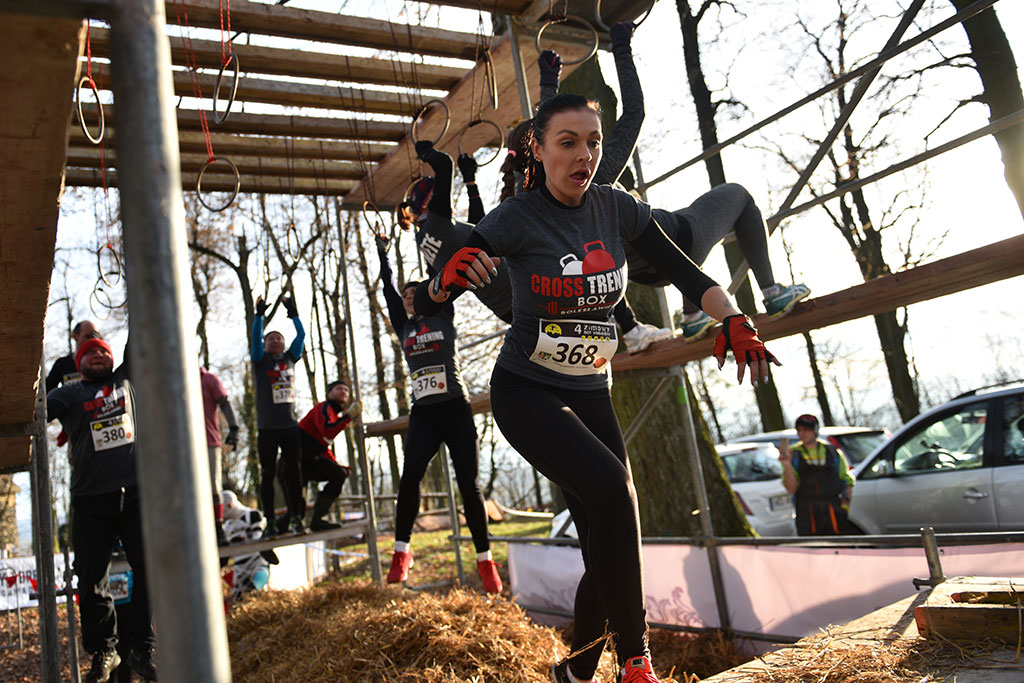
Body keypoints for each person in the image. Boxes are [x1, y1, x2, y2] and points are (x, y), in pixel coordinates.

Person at [416, 93, 779, 683]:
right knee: (615, 490)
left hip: (590, 389)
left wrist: (734, 317)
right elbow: (456, 275)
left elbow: (688, 272)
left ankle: (576, 674)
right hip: (527, 392)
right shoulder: (516, 218)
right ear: (537, 148)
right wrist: (441, 284)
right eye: (568, 143)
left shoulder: (616, 209)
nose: (584, 155)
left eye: (593, 142)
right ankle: (637, 663)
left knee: (609, 543)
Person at [522, 28, 810, 347]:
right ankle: (772, 292)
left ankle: (692, 314)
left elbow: (550, 134)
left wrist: (549, 81)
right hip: (677, 243)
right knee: (738, 196)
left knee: (678, 235)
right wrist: (621, 47)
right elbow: (634, 112)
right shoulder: (596, 172)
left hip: (643, 274)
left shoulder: (540, 207)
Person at [376, 232, 502, 594]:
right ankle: (401, 552)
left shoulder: (440, 311)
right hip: (424, 414)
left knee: (469, 486)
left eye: (413, 294)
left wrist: (425, 230)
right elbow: (387, 288)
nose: (409, 300)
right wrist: (384, 253)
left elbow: (442, 272)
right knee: (410, 474)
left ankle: (485, 560)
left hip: (454, 408)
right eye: (405, 297)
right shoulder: (404, 325)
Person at [46, 335, 157, 682]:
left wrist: (131, 279)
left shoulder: (125, 380)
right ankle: (104, 651)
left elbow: (140, 328)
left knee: (150, 568)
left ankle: (142, 646)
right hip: (92, 499)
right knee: (92, 578)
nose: (97, 355)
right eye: (89, 352)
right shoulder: (69, 393)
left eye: (102, 352)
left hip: (136, 495)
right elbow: (38, 410)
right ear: (78, 363)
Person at [396, 141, 514, 324]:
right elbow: (444, 163)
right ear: (428, 200)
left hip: (506, 306)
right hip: (520, 290)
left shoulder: (426, 239)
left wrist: (470, 183)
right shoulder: (437, 223)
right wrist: (425, 151)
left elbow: (480, 230)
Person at [251, 294, 306, 537]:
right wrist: (259, 316)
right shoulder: (260, 361)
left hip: (290, 427)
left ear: (284, 345)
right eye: (270, 338)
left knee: (295, 472)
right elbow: (254, 338)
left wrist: (293, 314)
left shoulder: (291, 358)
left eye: (279, 338)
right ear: (264, 344)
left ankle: (297, 517)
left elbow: (301, 336)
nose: (275, 340)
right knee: (268, 475)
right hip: (267, 429)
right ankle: (270, 521)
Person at [297, 380, 360, 531]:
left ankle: (318, 519)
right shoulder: (323, 408)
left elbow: (323, 446)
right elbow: (328, 430)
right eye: (339, 389)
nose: (344, 391)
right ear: (329, 393)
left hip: (310, 462)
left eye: (346, 390)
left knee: (338, 474)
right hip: (294, 464)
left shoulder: (332, 414)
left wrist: (336, 465)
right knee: (296, 513)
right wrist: (348, 416)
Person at [779, 414, 854, 536]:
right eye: (799, 430)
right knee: (812, 550)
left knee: (840, 548)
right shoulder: (793, 454)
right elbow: (791, 489)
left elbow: (847, 481)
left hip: (834, 512)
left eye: (806, 430)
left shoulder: (832, 451)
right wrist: (787, 465)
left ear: (815, 430)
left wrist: (844, 509)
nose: (801, 434)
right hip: (806, 514)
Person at [199, 366, 240, 543]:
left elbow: (224, 403)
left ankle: (217, 528)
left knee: (213, 487)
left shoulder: (209, 379)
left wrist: (234, 428)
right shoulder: (170, 379)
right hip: (179, 445)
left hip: (208, 440)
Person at [46, 320, 98, 391]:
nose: (92, 341)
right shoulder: (62, 364)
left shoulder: (101, 363)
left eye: (95, 337)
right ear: (75, 336)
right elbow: (47, 391)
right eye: (87, 336)